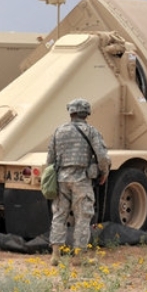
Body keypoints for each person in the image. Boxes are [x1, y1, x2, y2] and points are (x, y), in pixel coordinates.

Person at [47, 98, 111, 265]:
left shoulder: (58, 131)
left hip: (61, 178)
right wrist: (104, 172)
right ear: (86, 113)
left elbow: (50, 159)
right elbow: (102, 157)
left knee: (59, 215)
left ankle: (55, 255)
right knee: (83, 216)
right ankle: (79, 256)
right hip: (81, 179)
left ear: (71, 112)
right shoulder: (91, 131)